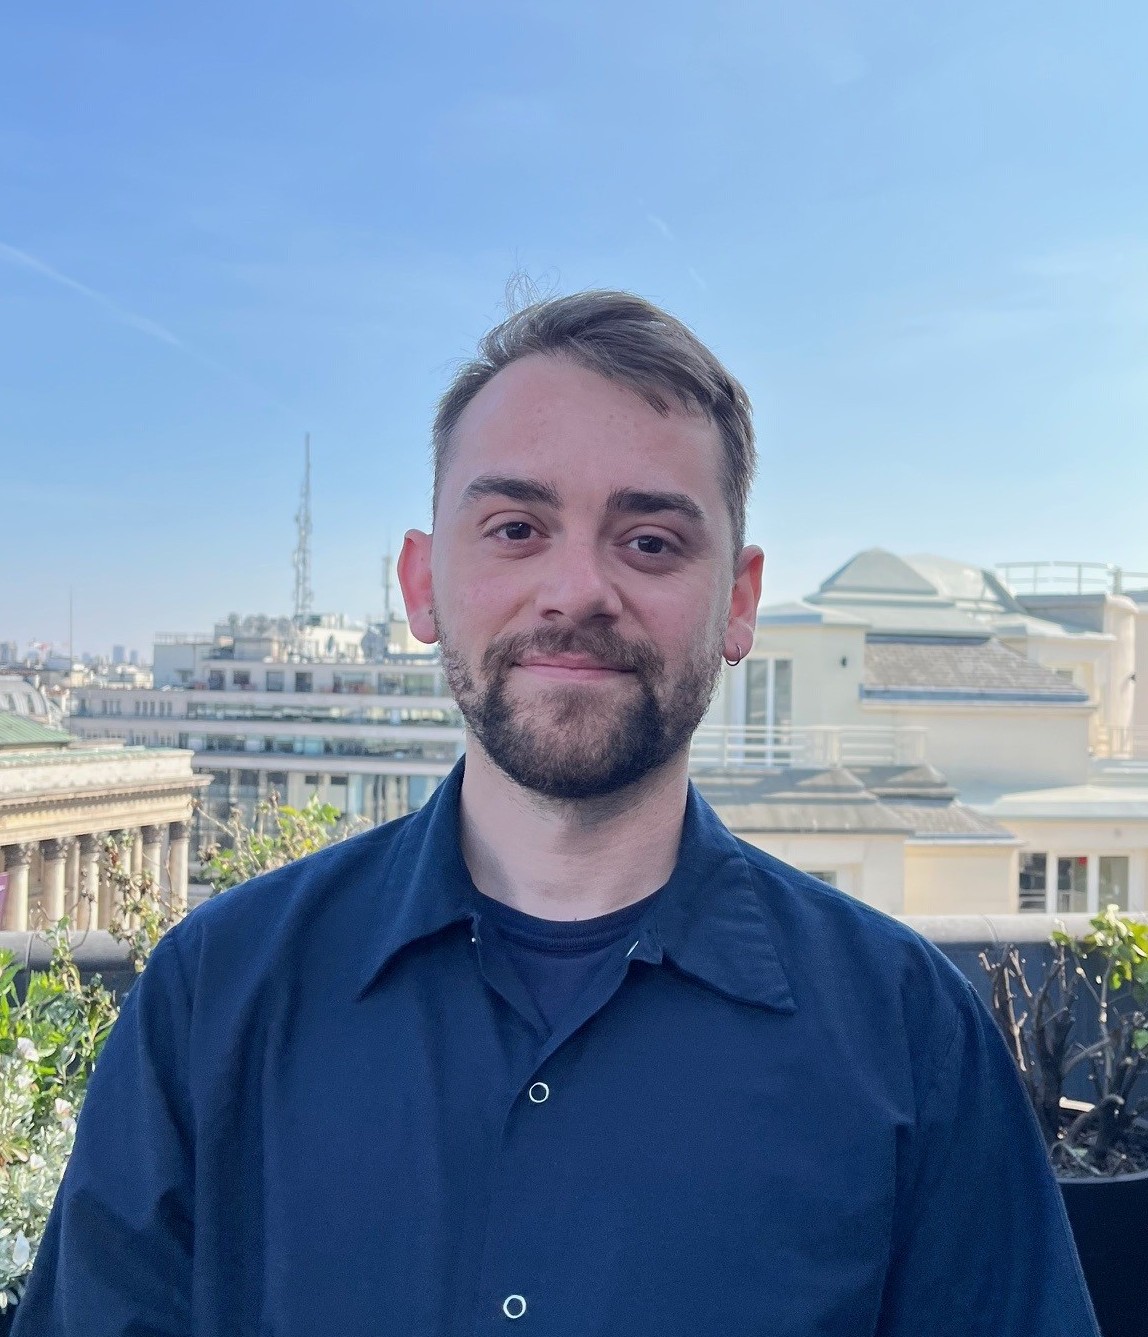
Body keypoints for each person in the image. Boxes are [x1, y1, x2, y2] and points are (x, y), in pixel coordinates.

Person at [15, 291, 1099, 1336]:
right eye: (516, 527)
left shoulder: (908, 1036)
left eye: (650, 541)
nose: (577, 589)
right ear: (420, 583)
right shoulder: (217, 996)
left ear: (737, 601)